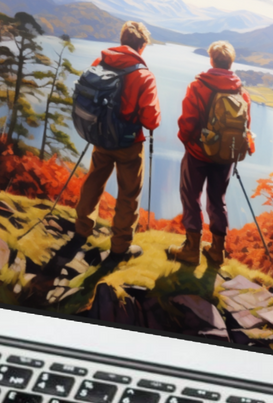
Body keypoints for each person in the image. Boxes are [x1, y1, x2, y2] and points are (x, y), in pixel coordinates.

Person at [71, 22, 161, 263]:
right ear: (141, 47)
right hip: (129, 144)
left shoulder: (99, 63)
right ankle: (120, 248)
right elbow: (151, 120)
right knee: (128, 193)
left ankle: (81, 230)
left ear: (122, 41)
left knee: (94, 180)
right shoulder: (143, 76)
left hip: (101, 138)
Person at [167, 42, 255, 269]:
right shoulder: (241, 92)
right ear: (231, 63)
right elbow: (246, 126)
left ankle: (191, 249)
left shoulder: (198, 86)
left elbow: (187, 122)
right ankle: (217, 250)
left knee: (191, 196)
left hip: (198, 152)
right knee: (218, 200)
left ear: (211, 60)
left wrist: (187, 141)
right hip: (225, 156)